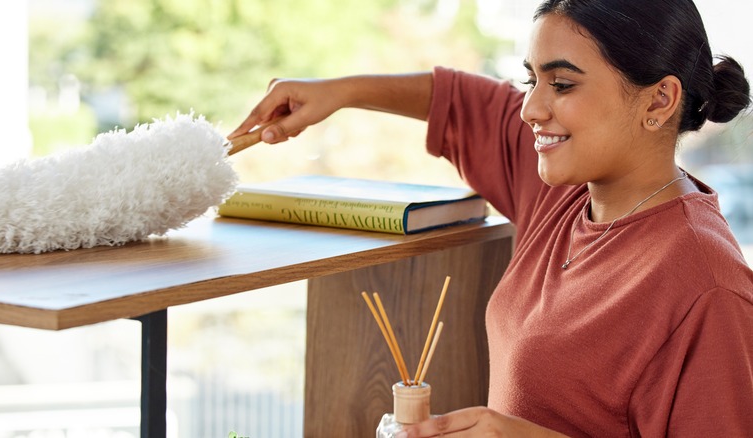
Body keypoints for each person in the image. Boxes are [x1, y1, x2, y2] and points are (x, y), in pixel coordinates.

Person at [230, 0, 753, 436]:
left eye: (562, 85)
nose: (531, 109)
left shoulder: (708, 287)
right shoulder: (564, 192)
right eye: (531, 81)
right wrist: (340, 92)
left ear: (659, 99)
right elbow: (462, 102)